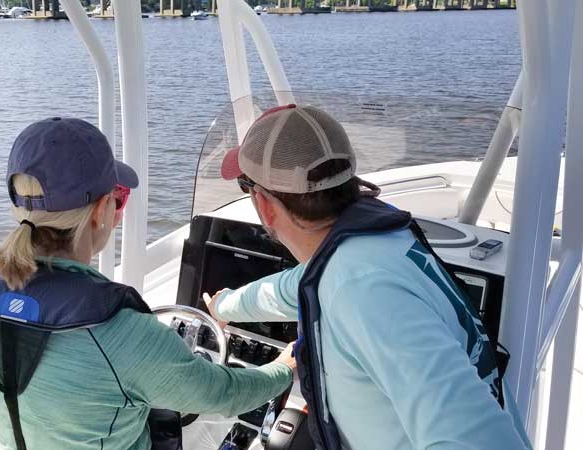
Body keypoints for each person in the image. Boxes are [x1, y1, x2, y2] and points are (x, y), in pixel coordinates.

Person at [0, 117, 297, 450]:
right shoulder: (120, 331)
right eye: (118, 199)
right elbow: (223, 394)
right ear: (103, 209)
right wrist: (283, 368)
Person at [206, 104, 532, 450]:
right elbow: (296, 286)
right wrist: (225, 306)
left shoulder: (362, 290)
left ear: (265, 205)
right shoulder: (371, 239)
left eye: (247, 187)